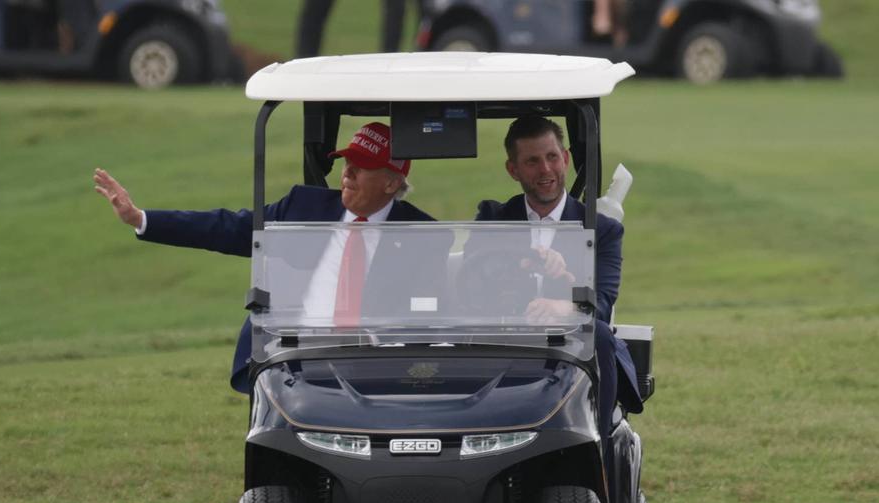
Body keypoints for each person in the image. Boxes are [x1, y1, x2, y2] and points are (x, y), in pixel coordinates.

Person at [94, 122, 440, 394]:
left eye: (361, 167)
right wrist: (141, 219)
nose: (347, 173)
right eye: (347, 162)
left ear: (391, 184)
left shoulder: (421, 235)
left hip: (373, 366)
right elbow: (227, 227)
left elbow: (428, 316)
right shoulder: (303, 207)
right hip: (292, 360)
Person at [474, 115, 644, 473]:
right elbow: (473, 286)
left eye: (552, 157)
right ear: (513, 169)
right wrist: (519, 264)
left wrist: (565, 300)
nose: (545, 170)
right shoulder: (493, 217)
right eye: (532, 161)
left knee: (599, 335)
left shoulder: (602, 229)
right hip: (506, 338)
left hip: (570, 344)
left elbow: (601, 303)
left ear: (565, 158)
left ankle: (597, 452)